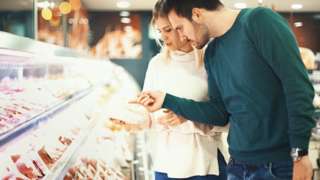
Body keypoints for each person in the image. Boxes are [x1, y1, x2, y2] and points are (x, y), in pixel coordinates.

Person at [134, 0, 316, 180]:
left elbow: (298, 88)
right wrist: (166, 99)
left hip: (277, 165)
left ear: (197, 14)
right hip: (237, 165)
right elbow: (219, 113)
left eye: (180, 27)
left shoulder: (258, 20)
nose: (181, 36)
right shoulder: (212, 52)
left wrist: (299, 153)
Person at [133, 1, 229, 179]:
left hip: (204, 165)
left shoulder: (212, 60)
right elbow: (148, 114)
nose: (163, 37)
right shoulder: (156, 64)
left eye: (168, 29)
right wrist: (138, 117)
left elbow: (225, 118)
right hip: (165, 164)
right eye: (159, 31)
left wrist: (186, 117)